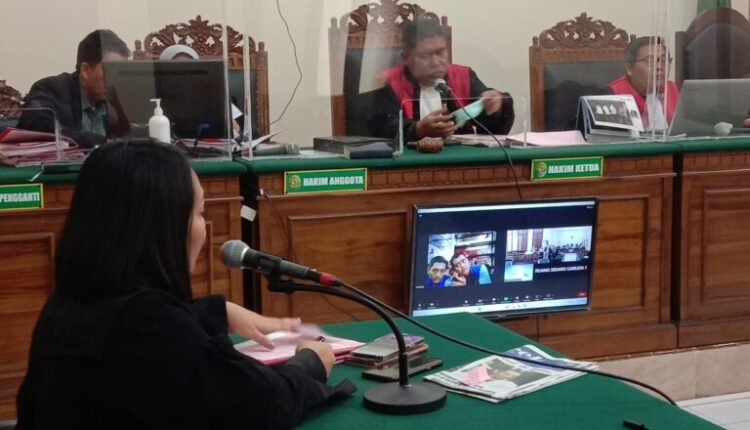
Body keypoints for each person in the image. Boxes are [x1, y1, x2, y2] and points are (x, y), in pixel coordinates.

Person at [15, 139, 354, 429]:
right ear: (163, 226)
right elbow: (259, 404)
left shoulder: (65, 306)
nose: (204, 228)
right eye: (199, 213)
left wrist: (216, 311)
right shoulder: (150, 327)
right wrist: (309, 364)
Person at [369, 17, 514, 141]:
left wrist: (496, 104)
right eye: (425, 55)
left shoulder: (464, 76)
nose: (436, 62)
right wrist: (417, 129)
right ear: (406, 58)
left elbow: (490, 127)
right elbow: (379, 127)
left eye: (440, 53)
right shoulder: (387, 82)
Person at [17, 29, 132, 148]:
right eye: (110, 70)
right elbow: (40, 127)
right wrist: (103, 143)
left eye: (119, 71)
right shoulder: (50, 89)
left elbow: (129, 137)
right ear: (85, 70)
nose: (116, 79)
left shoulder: (116, 99)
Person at [158, 44, 246, 138]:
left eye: (188, 66)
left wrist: (233, 129)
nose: (182, 71)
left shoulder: (212, 90)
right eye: (176, 66)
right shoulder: (155, 90)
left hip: (207, 143)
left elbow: (237, 131)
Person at [608, 36, 680, 131]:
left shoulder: (671, 88)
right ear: (629, 68)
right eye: (650, 61)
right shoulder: (613, 95)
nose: (659, 67)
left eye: (663, 61)